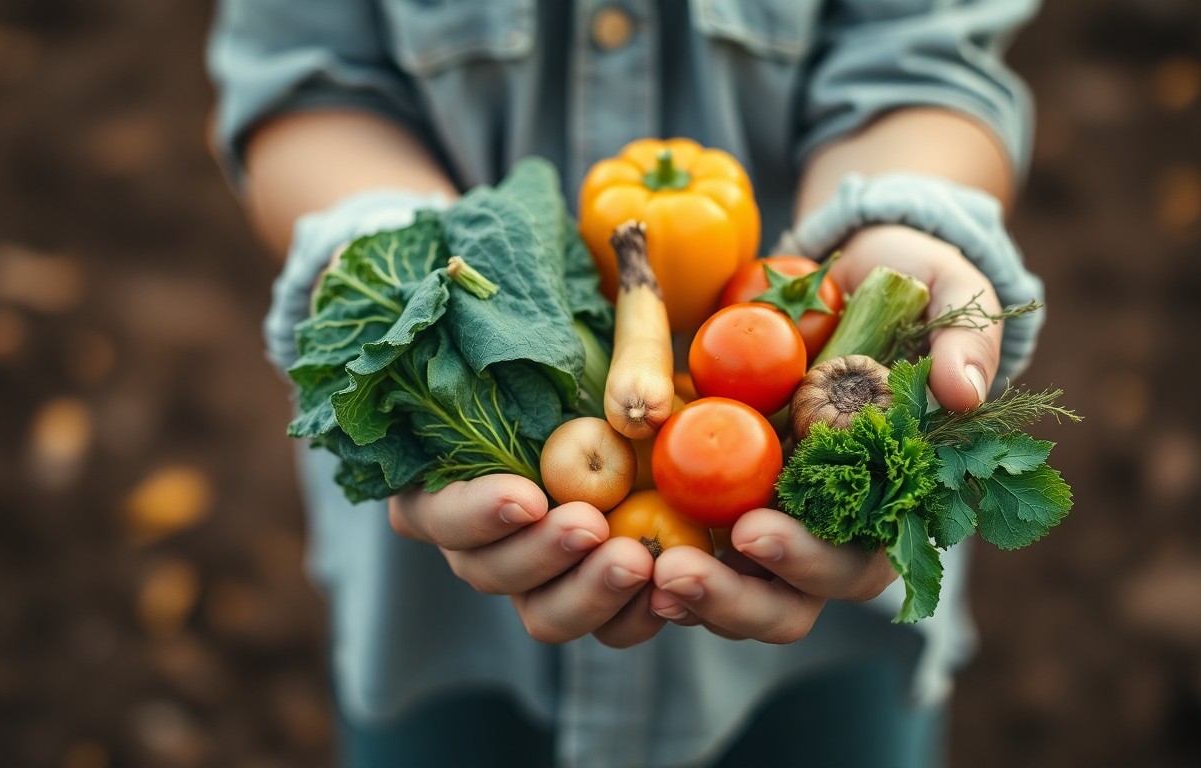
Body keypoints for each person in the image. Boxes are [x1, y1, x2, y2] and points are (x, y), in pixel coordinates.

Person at [207, 1, 1046, 765]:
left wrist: (895, 218)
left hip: (826, 636)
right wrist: (405, 280)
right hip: (448, 630)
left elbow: (927, 59)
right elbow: (303, 81)